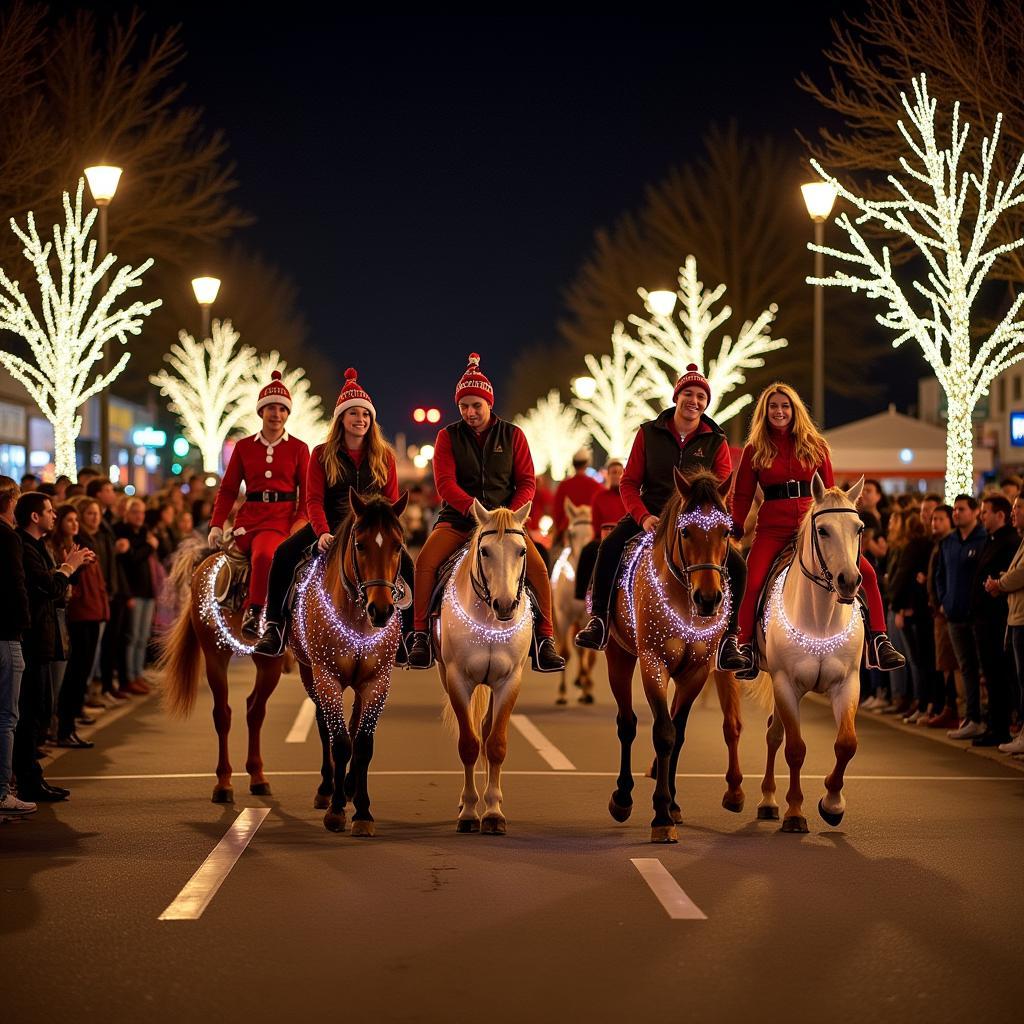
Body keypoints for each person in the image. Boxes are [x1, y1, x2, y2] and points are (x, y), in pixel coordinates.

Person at [726, 383, 903, 677]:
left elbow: (831, 491)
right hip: (772, 529)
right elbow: (743, 495)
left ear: (795, 410)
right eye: (773, 407)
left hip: (815, 530)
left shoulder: (816, 446)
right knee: (752, 580)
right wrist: (736, 524)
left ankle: (879, 641)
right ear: (765, 412)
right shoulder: (755, 449)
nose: (779, 411)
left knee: (868, 574)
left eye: (785, 406)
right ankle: (744, 647)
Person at [575, 364, 748, 661]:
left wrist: (723, 524)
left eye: (701, 397)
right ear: (676, 397)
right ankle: (600, 621)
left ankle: (730, 639)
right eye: (688, 394)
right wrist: (642, 517)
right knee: (609, 547)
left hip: (696, 520)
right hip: (651, 513)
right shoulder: (648, 433)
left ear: (706, 403)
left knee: (738, 566)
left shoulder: (715, 440)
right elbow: (629, 482)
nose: (694, 401)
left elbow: (722, 490)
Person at [407, 353, 564, 672]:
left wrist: (508, 513)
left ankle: (545, 640)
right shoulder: (447, 437)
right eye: (464, 406)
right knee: (424, 562)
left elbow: (526, 481)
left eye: (476, 405)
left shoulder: (513, 435)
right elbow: (445, 483)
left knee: (538, 566)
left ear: (489, 403)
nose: (470, 412)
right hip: (459, 520)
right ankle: (420, 635)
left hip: (505, 524)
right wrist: (473, 509)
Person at [254, 368, 408, 658]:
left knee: (409, 565)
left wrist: (391, 531)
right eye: (353, 414)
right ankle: (274, 626)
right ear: (341, 419)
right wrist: (322, 531)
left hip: (371, 529)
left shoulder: (385, 456)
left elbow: (391, 501)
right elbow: (313, 499)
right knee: (283, 555)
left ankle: (410, 636)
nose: (360, 419)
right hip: (329, 526)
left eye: (365, 414)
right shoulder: (322, 453)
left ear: (371, 420)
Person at [209, 371, 310, 637]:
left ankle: (255, 613)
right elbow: (228, 489)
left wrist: (300, 521)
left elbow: (308, 492)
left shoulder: (299, 448)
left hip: (280, 520)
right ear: (261, 411)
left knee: (265, 554)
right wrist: (216, 524)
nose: (275, 414)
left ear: (287, 414)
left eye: (281, 409)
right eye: (270, 408)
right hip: (248, 519)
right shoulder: (243, 447)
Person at [12, 492, 93, 803]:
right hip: (32, 639)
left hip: (43, 637)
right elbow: (46, 587)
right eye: (49, 511)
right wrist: (66, 569)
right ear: (34, 517)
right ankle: (27, 780)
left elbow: (56, 589)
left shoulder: (37, 546)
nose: (54, 516)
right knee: (31, 711)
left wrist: (72, 566)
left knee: (41, 708)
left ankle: (33, 777)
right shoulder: (24, 545)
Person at [966, 493, 1018, 747]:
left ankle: (1000, 727)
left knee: (998, 675)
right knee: (989, 673)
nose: (982, 516)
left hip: (996, 618)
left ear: (1000, 515)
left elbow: (1009, 575)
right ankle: (993, 724)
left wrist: (996, 583)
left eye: (985, 512)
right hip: (984, 618)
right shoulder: (992, 539)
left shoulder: (1009, 541)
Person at [936, 495, 988, 740]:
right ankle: (972, 716)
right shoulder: (949, 541)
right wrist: (944, 601)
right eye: (955, 509)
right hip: (954, 615)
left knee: (985, 669)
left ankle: (988, 718)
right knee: (966, 668)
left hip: (978, 616)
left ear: (976, 512)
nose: (956, 513)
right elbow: (940, 574)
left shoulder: (984, 539)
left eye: (962, 509)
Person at [58, 498, 109, 748]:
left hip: (92, 612)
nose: (75, 524)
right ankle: (64, 728)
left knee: (82, 673)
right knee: (74, 674)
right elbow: (68, 583)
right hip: (78, 615)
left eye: (76, 520)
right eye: (70, 520)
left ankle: (70, 725)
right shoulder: (62, 549)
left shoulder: (81, 545)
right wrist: (75, 565)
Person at [0, 477, 35, 817]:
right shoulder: (8, 538)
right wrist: (23, 623)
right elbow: (15, 584)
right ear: (10, 502)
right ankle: (1, 791)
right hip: (7, 634)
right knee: (7, 716)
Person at [987, 494, 1024, 753]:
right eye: (1013, 508)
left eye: (1018, 507)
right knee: (1017, 679)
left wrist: (1000, 584)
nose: (1014, 513)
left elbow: (1020, 575)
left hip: (1022, 619)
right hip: (1015, 617)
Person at [115, 498, 159, 694]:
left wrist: (144, 545)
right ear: (127, 513)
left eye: (142, 512)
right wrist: (149, 546)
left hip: (147, 590)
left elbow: (137, 553)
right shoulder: (121, 531)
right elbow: (131, 559)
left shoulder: (143, 532)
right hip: (132, 592)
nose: (139, 516)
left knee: (142, 636)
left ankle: (138, 673)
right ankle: (128, 678)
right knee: (131, 636)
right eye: (135, 512)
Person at [575, 458, 625, 603]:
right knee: (588, 550)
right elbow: (595, 523)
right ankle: (582, 592)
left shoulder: (628, 496)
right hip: (603, 538)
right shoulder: (599, 497)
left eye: (618, 472)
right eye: (612, 473)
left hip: (625, 539)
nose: (616, 475)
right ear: (607, 476)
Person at [551, 449, 602, 537]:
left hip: (568, 530)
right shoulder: (597, 486)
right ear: (587, 464)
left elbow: (557, 511)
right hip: (591, 532)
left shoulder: (564, 485)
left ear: (573, 464)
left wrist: (558, 531)